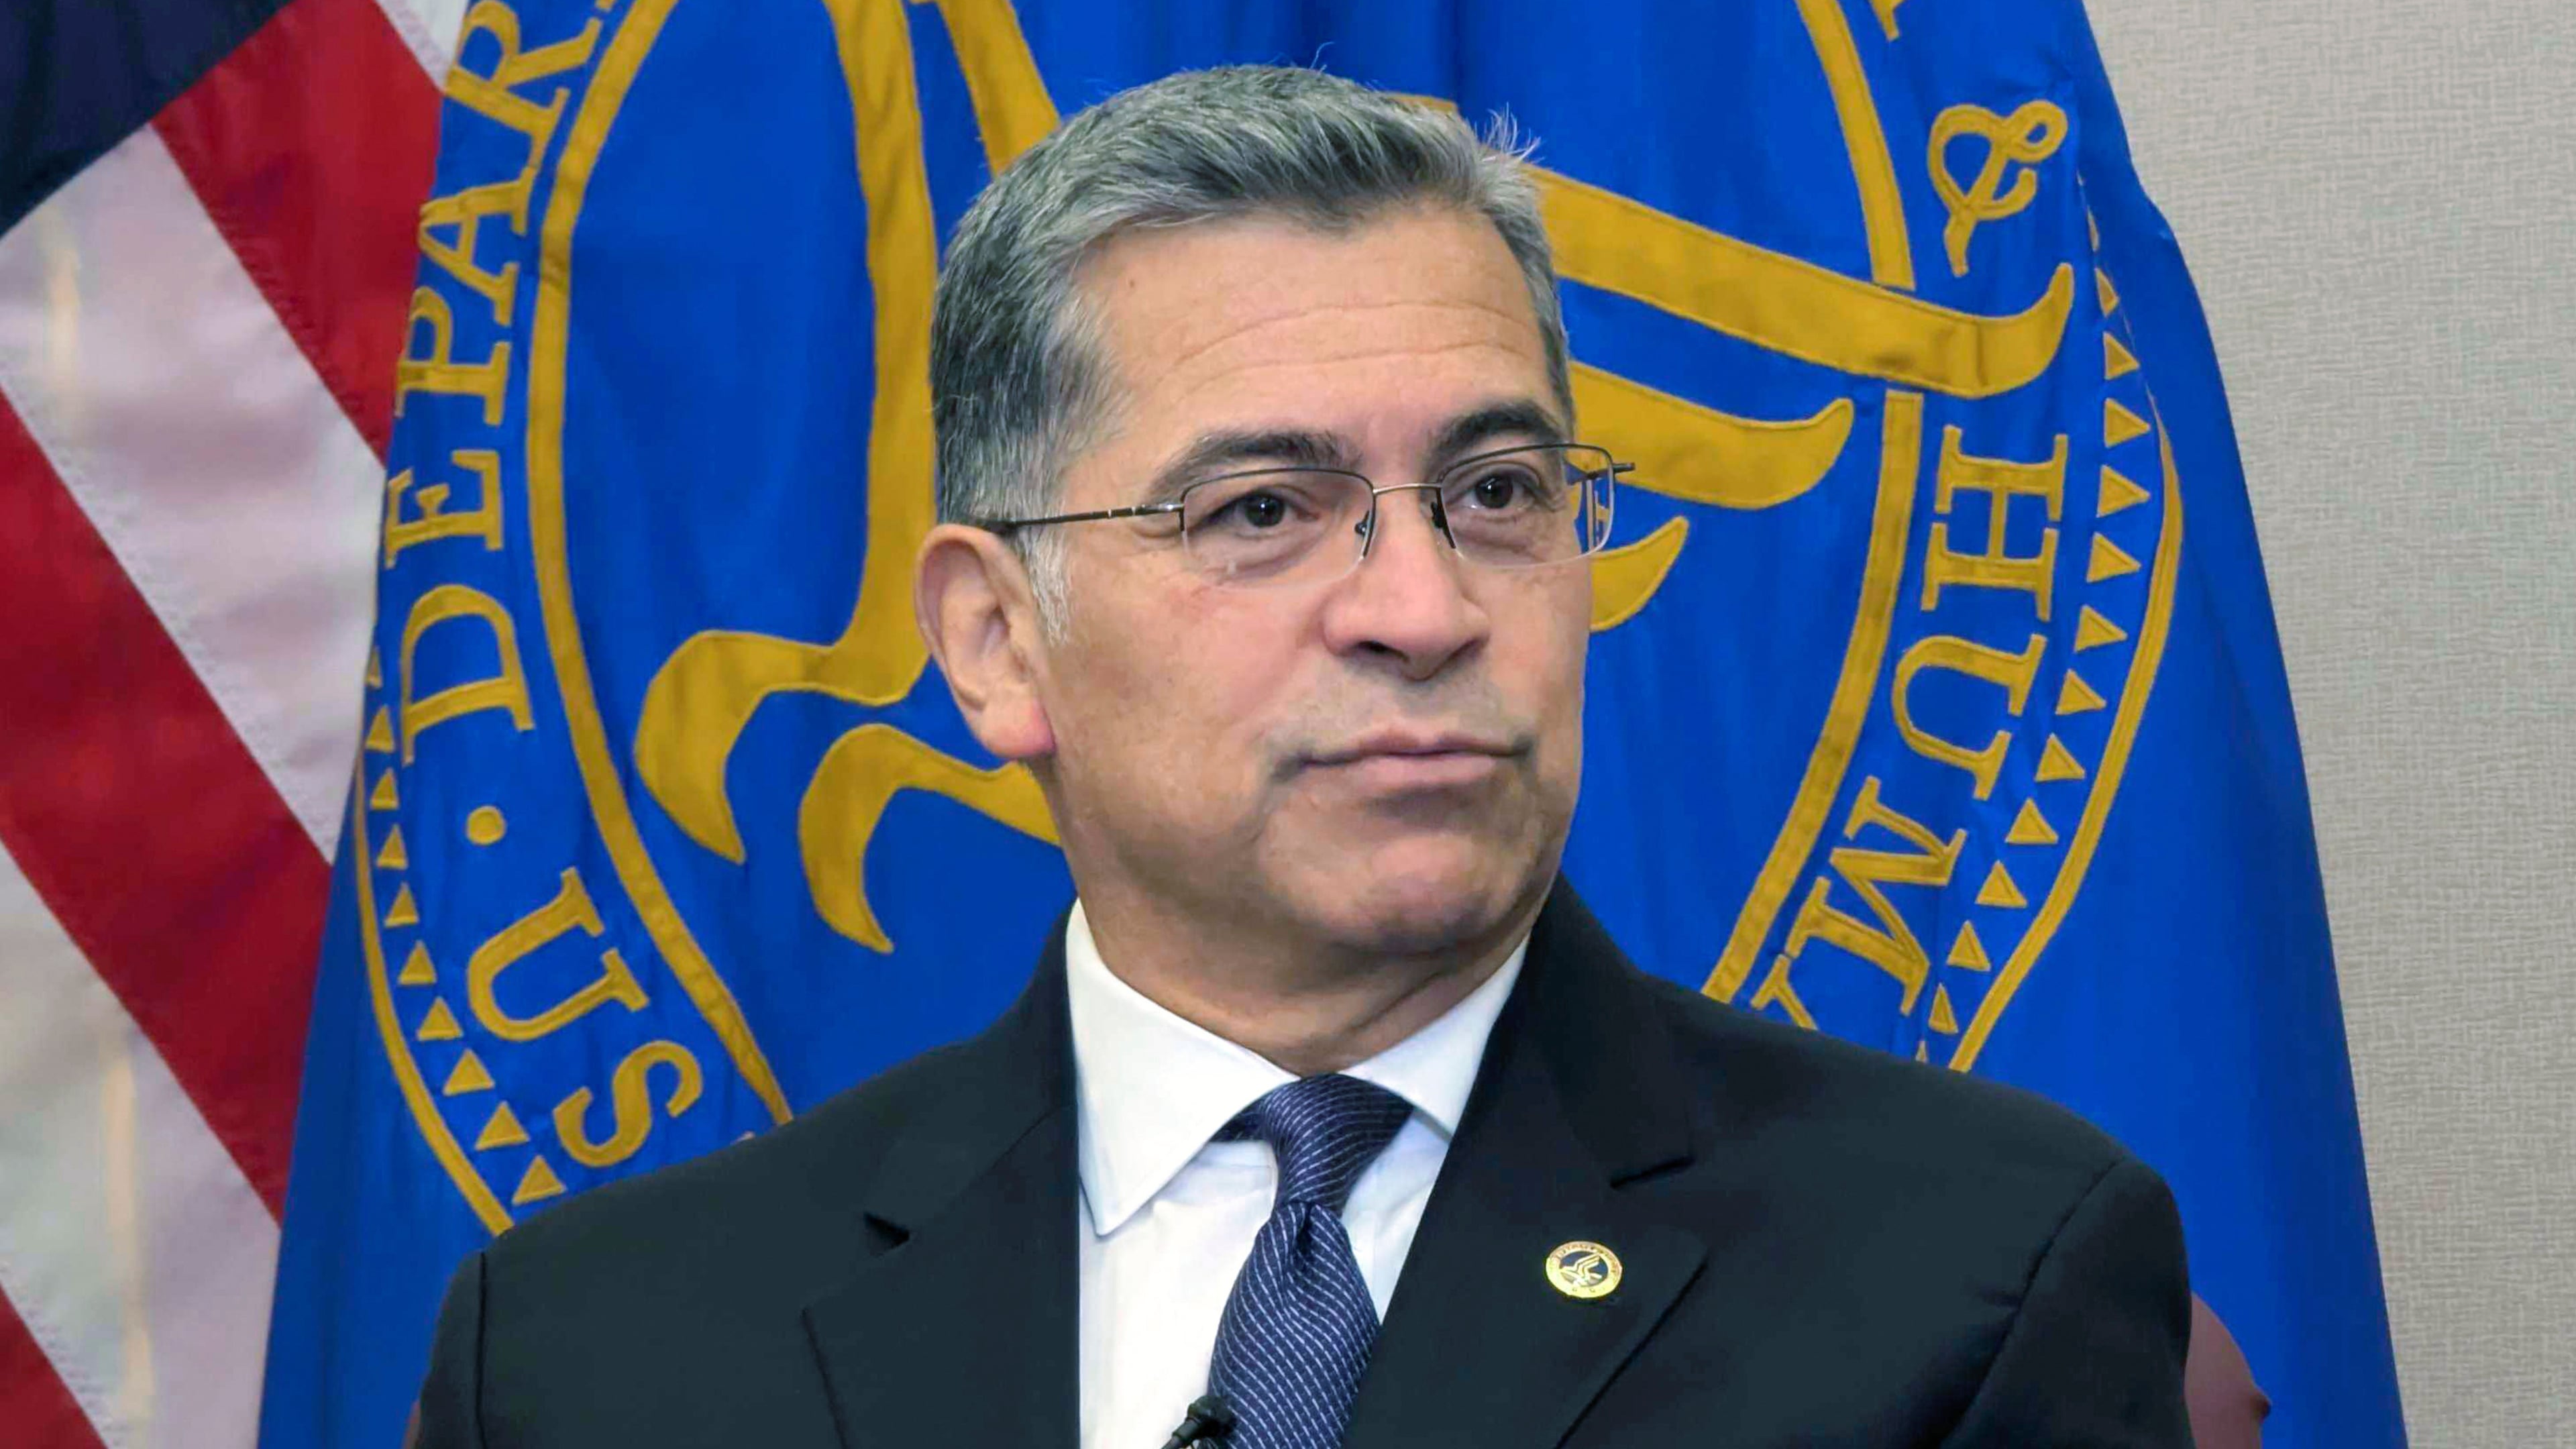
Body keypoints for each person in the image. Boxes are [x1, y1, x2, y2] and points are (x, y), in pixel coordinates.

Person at [411, 65, 2191, 1448]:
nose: (1420, 605)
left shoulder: (1973, 1282)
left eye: (1498, 494)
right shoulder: (594, 1353)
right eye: (1263, 510)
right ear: (995, 643)